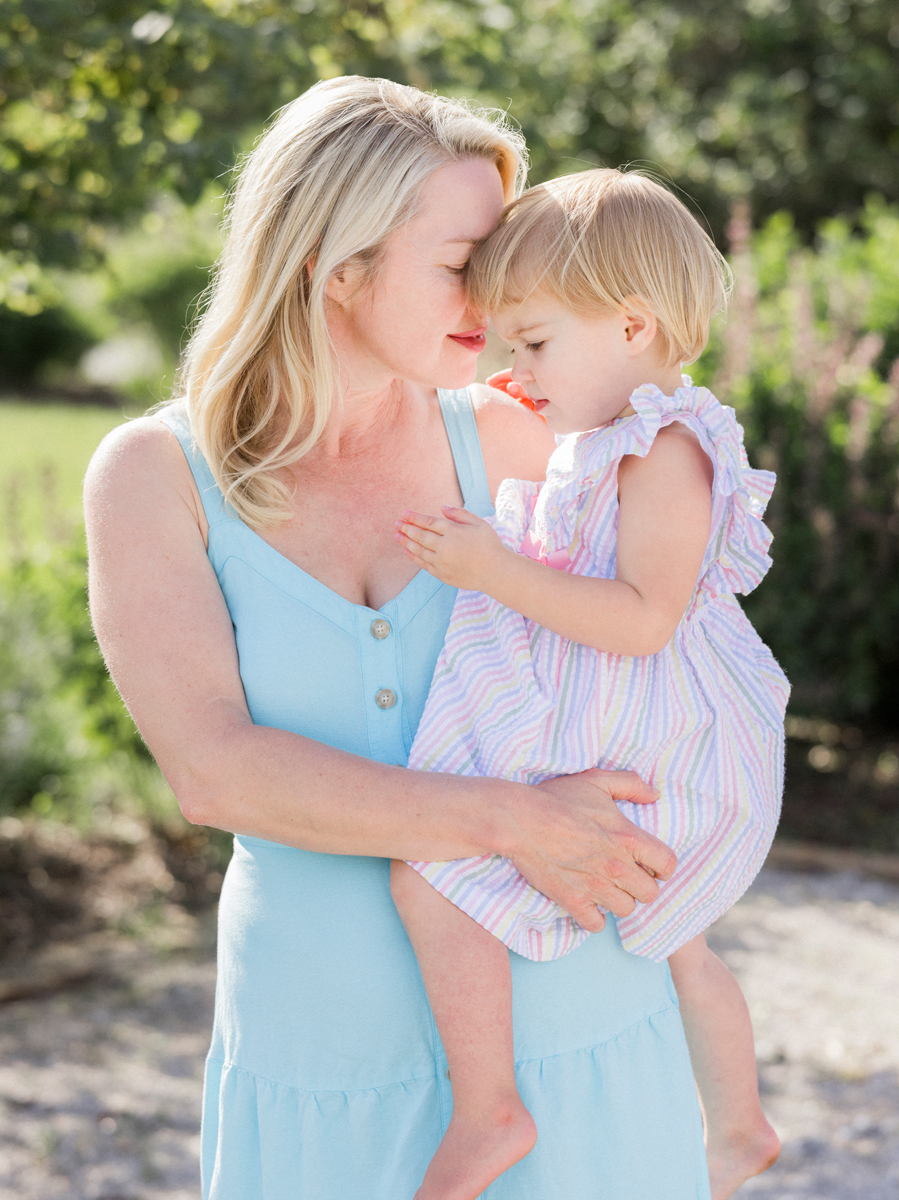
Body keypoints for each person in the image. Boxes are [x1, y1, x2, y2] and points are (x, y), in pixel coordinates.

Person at [84, 79, 712, 1199]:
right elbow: (215, 771)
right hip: (315, 1065)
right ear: (340, 265)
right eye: (462, 258)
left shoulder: (530, 440)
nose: (498, 293)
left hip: (579, 1045)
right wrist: (516, 819)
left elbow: (672, 654)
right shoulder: (156, 478)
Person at [392, 168, 787, 1200]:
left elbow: (645, 617)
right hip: (617, 724)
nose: (515, 370)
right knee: (681, 944)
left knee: (431, 874)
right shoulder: (599, 442)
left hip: (657, 735)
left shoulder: (665, 450)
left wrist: (495, 571)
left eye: (531, 342)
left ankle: (490, 1114)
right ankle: (737, 1125)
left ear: (631, 324)